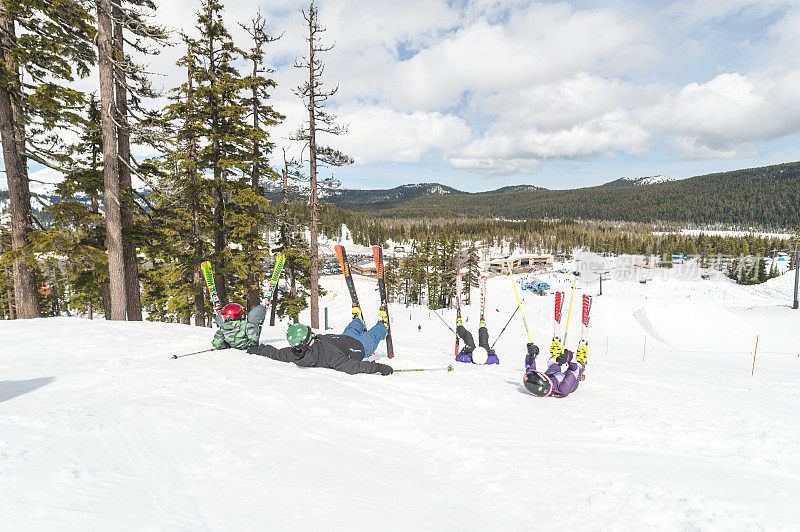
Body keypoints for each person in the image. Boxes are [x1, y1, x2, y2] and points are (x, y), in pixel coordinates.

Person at [246, 311, 394, 376]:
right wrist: (378, 367)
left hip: (343, 339)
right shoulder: (327, 354)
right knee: (373, 335)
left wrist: (258, 349)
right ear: (308, 339)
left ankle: (357, 319)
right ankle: (383, 325)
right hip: (359, 347)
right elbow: (352, 367)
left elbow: (276, 353)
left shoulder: (295, 353)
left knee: (351, 328)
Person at [522, 343, 587, 398]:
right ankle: (581, 354)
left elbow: (530, 370)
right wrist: (570, 358)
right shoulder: (562, 389)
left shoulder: (537, 382)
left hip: (553, 375)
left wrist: (530, 354)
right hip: (570, 380)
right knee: (579, 367)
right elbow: (574, 370)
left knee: (554, 364)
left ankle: (555, 356)